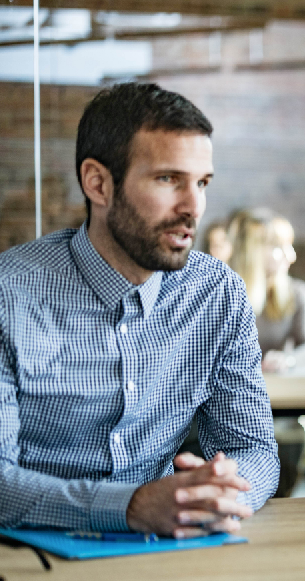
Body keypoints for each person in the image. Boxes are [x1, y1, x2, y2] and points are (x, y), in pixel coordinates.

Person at [0, 82, 279, 537]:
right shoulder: (9, 295)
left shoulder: (216, 293)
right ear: (98, 183)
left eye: (202, 183)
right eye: (168, 179)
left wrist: (217, 496)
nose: (193, 207)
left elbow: (252, 448)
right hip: (29, 557)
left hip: (168, 546)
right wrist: (129, 507)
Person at [227, 209, 305, 372]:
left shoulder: (298, 292)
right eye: (278, 247)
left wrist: (288, 360)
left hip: (279, 388)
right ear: (251, 252)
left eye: (289, 246)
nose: (291, 256)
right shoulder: (223, 293)